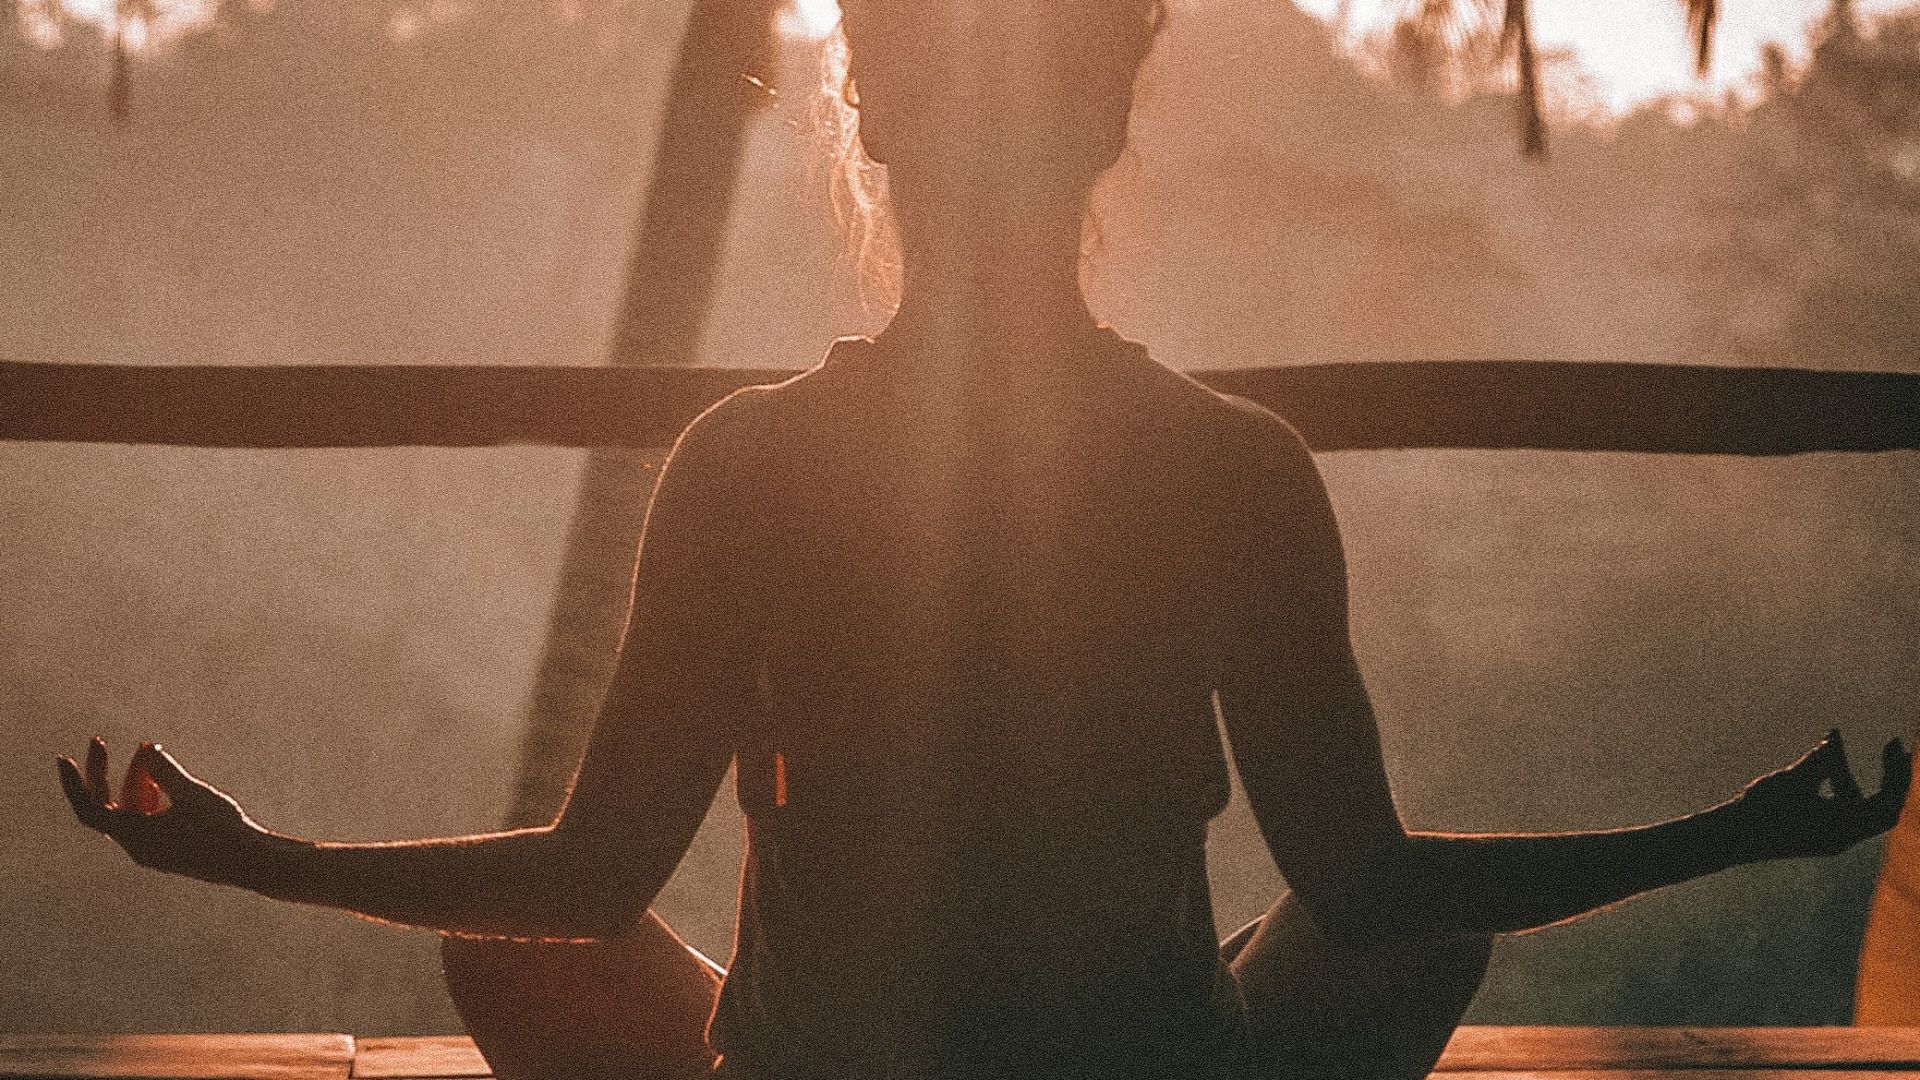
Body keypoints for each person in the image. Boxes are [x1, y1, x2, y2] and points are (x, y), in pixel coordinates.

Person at [58, 3, 1911, 1079]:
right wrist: (1730, 833)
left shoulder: (751, 463)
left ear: (867, 118)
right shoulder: (1230, 467)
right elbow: (1372, 894)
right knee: (1405, 937)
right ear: (1108, 117)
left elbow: (588, 872)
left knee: (509, 950)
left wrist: (251, 856)